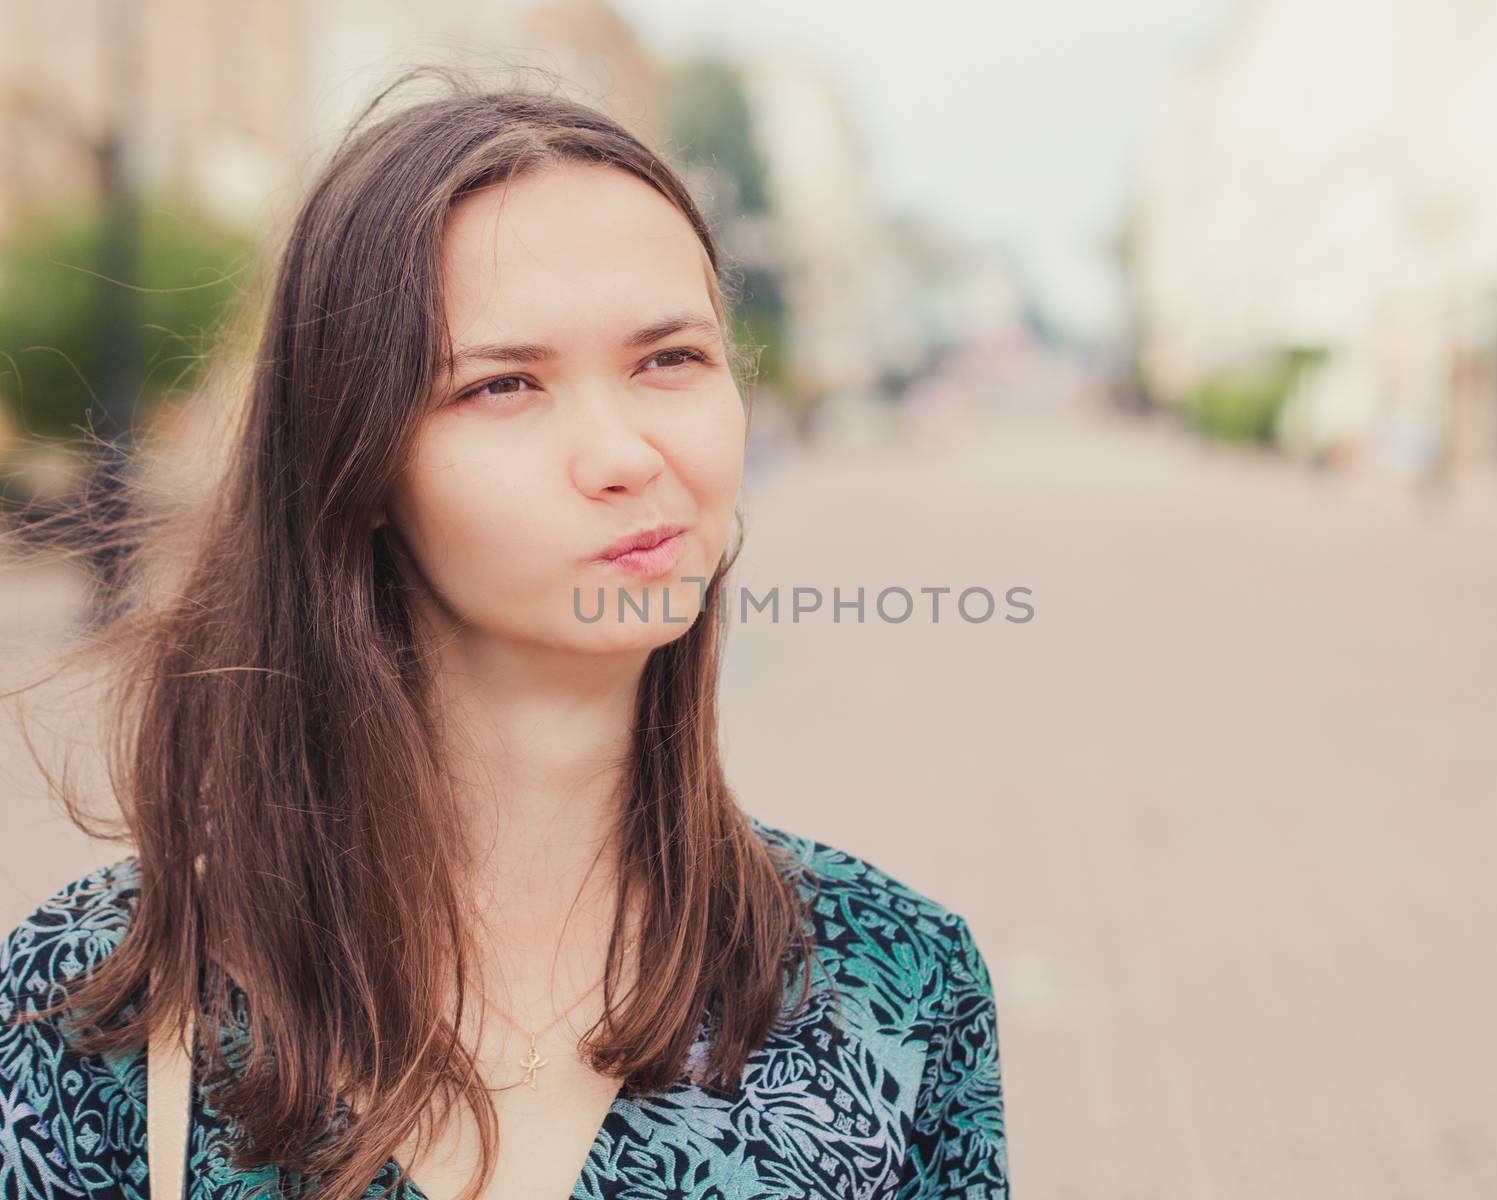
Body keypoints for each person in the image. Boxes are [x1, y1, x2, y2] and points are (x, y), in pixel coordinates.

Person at [0, 69, 1008, 1200]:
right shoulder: (98, 1001)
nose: (624, 453)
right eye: (504, 386)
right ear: (358, 458)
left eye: (669, 359)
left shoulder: (896, 984)